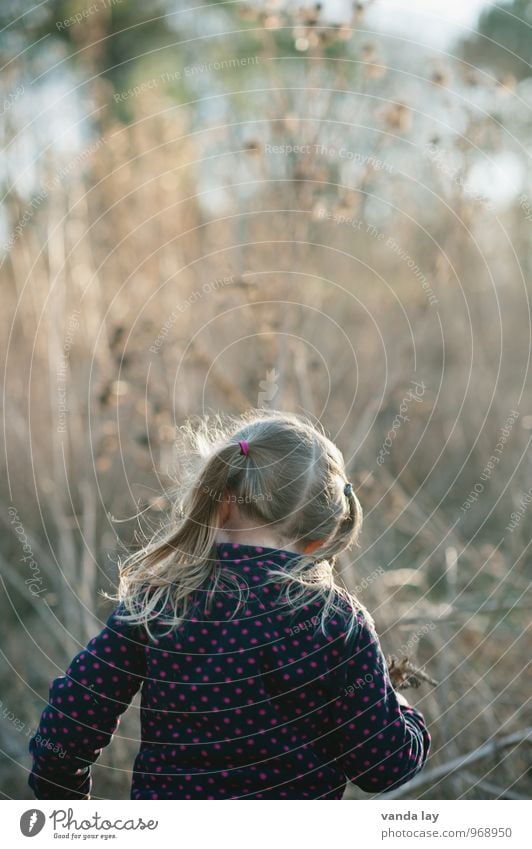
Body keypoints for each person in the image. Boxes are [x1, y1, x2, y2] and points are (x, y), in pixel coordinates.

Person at [28, 410, 430, 799]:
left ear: (221, 500)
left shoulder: (161, 599)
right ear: (320, 539)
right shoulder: (337, 622)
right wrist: (401, 710)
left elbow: (72, 717)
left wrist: (65, 804)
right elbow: (382, 766)